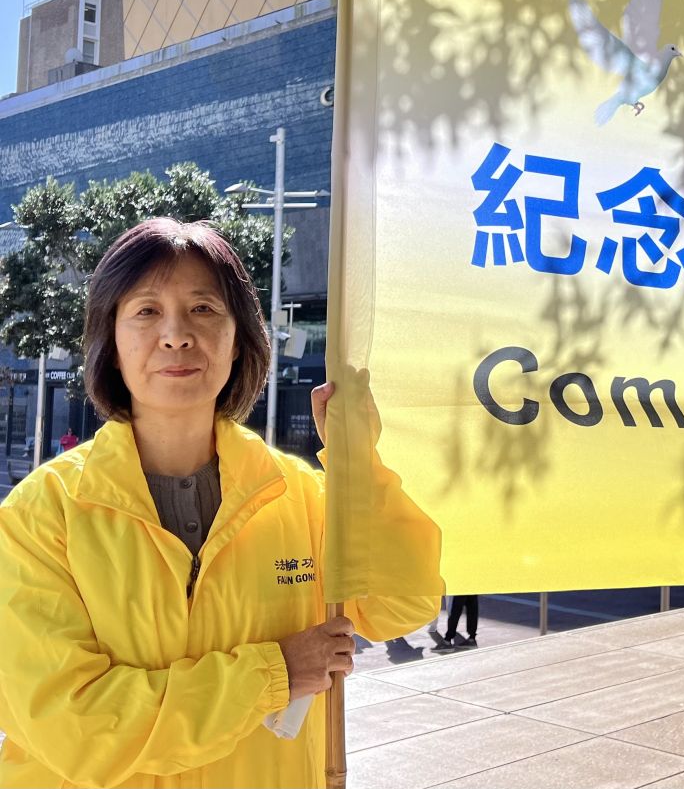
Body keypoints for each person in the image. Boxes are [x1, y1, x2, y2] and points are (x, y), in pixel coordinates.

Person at [0, 218, 442, 788]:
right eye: (146, 311)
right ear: (111, 344)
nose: (176, 334)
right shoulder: (43, 514)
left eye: (203, 309)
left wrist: (358, 467)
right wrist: (274, 674)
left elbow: (402, 605)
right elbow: (74, 726)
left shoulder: (297, 496)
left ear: (238, 341)